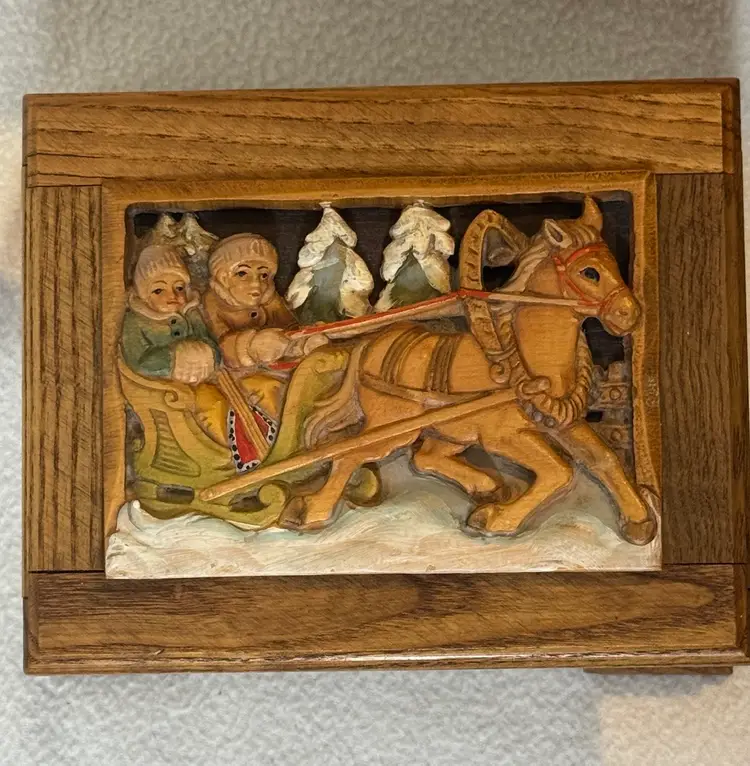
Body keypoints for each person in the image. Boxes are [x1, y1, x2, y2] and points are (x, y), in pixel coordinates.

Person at [121, 244, 219, 383]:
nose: (172, 295)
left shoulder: (191, 314)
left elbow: (212, 345)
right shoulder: (135, 320)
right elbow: (138, 362)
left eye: (179, 287)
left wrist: (206, 352)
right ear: (144, 297)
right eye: (159, 290)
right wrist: (174, 357)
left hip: (198, 383)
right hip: (157, 387)